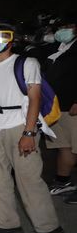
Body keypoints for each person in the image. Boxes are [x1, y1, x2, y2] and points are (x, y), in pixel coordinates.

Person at [0, 20, 63, 233]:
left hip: (20, 124)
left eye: (1, 36)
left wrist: (28, 133)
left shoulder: (26, 63)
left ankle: (48, 227)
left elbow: (35, 97)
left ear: (11, 39)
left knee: (28, 178)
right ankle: (6, 222)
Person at [42, 15, 77, 199]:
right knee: (64, 146)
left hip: (73, 107)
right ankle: (64, 182)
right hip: (58, 107)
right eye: (60, 27)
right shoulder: (58, 50)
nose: (63, 30)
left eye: (68, 26)